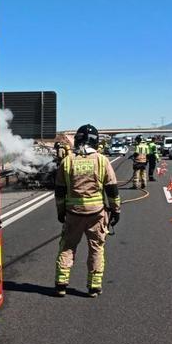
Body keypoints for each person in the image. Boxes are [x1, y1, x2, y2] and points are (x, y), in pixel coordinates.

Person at [54, 124, 120, 297]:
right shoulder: (101, 160)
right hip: (96, 214)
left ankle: (61, 284)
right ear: (96, 141)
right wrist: (116, 210)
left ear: (77, 140)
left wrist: (60, 211)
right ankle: (94, 287)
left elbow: (59, 191)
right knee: (96, 248)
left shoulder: (67, 161)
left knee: (67, 247)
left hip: (73, 213)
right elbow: (112, 189)